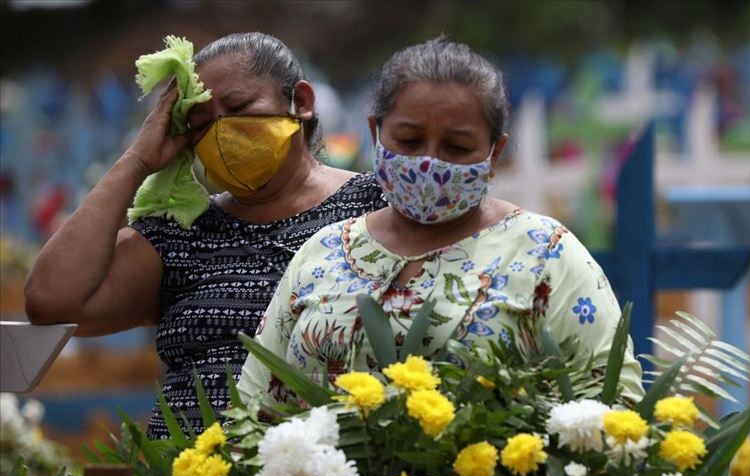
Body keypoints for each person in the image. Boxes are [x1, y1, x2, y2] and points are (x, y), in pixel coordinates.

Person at [238, 38, 643, 407]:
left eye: (457, 147)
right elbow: (256, 408)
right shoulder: (323, 253)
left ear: (494, 152)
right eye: (410, 141)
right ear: (375, 133)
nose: (429, 162)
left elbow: (611, 405)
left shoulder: (543, 252)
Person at [24, 32, 387, 439]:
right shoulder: (181, 235)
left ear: (300, 102)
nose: (221, 131)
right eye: (200, 124)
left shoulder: (376, 207)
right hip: (185, 468)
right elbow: (51, 302)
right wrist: (137, 160)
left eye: (239, 107)